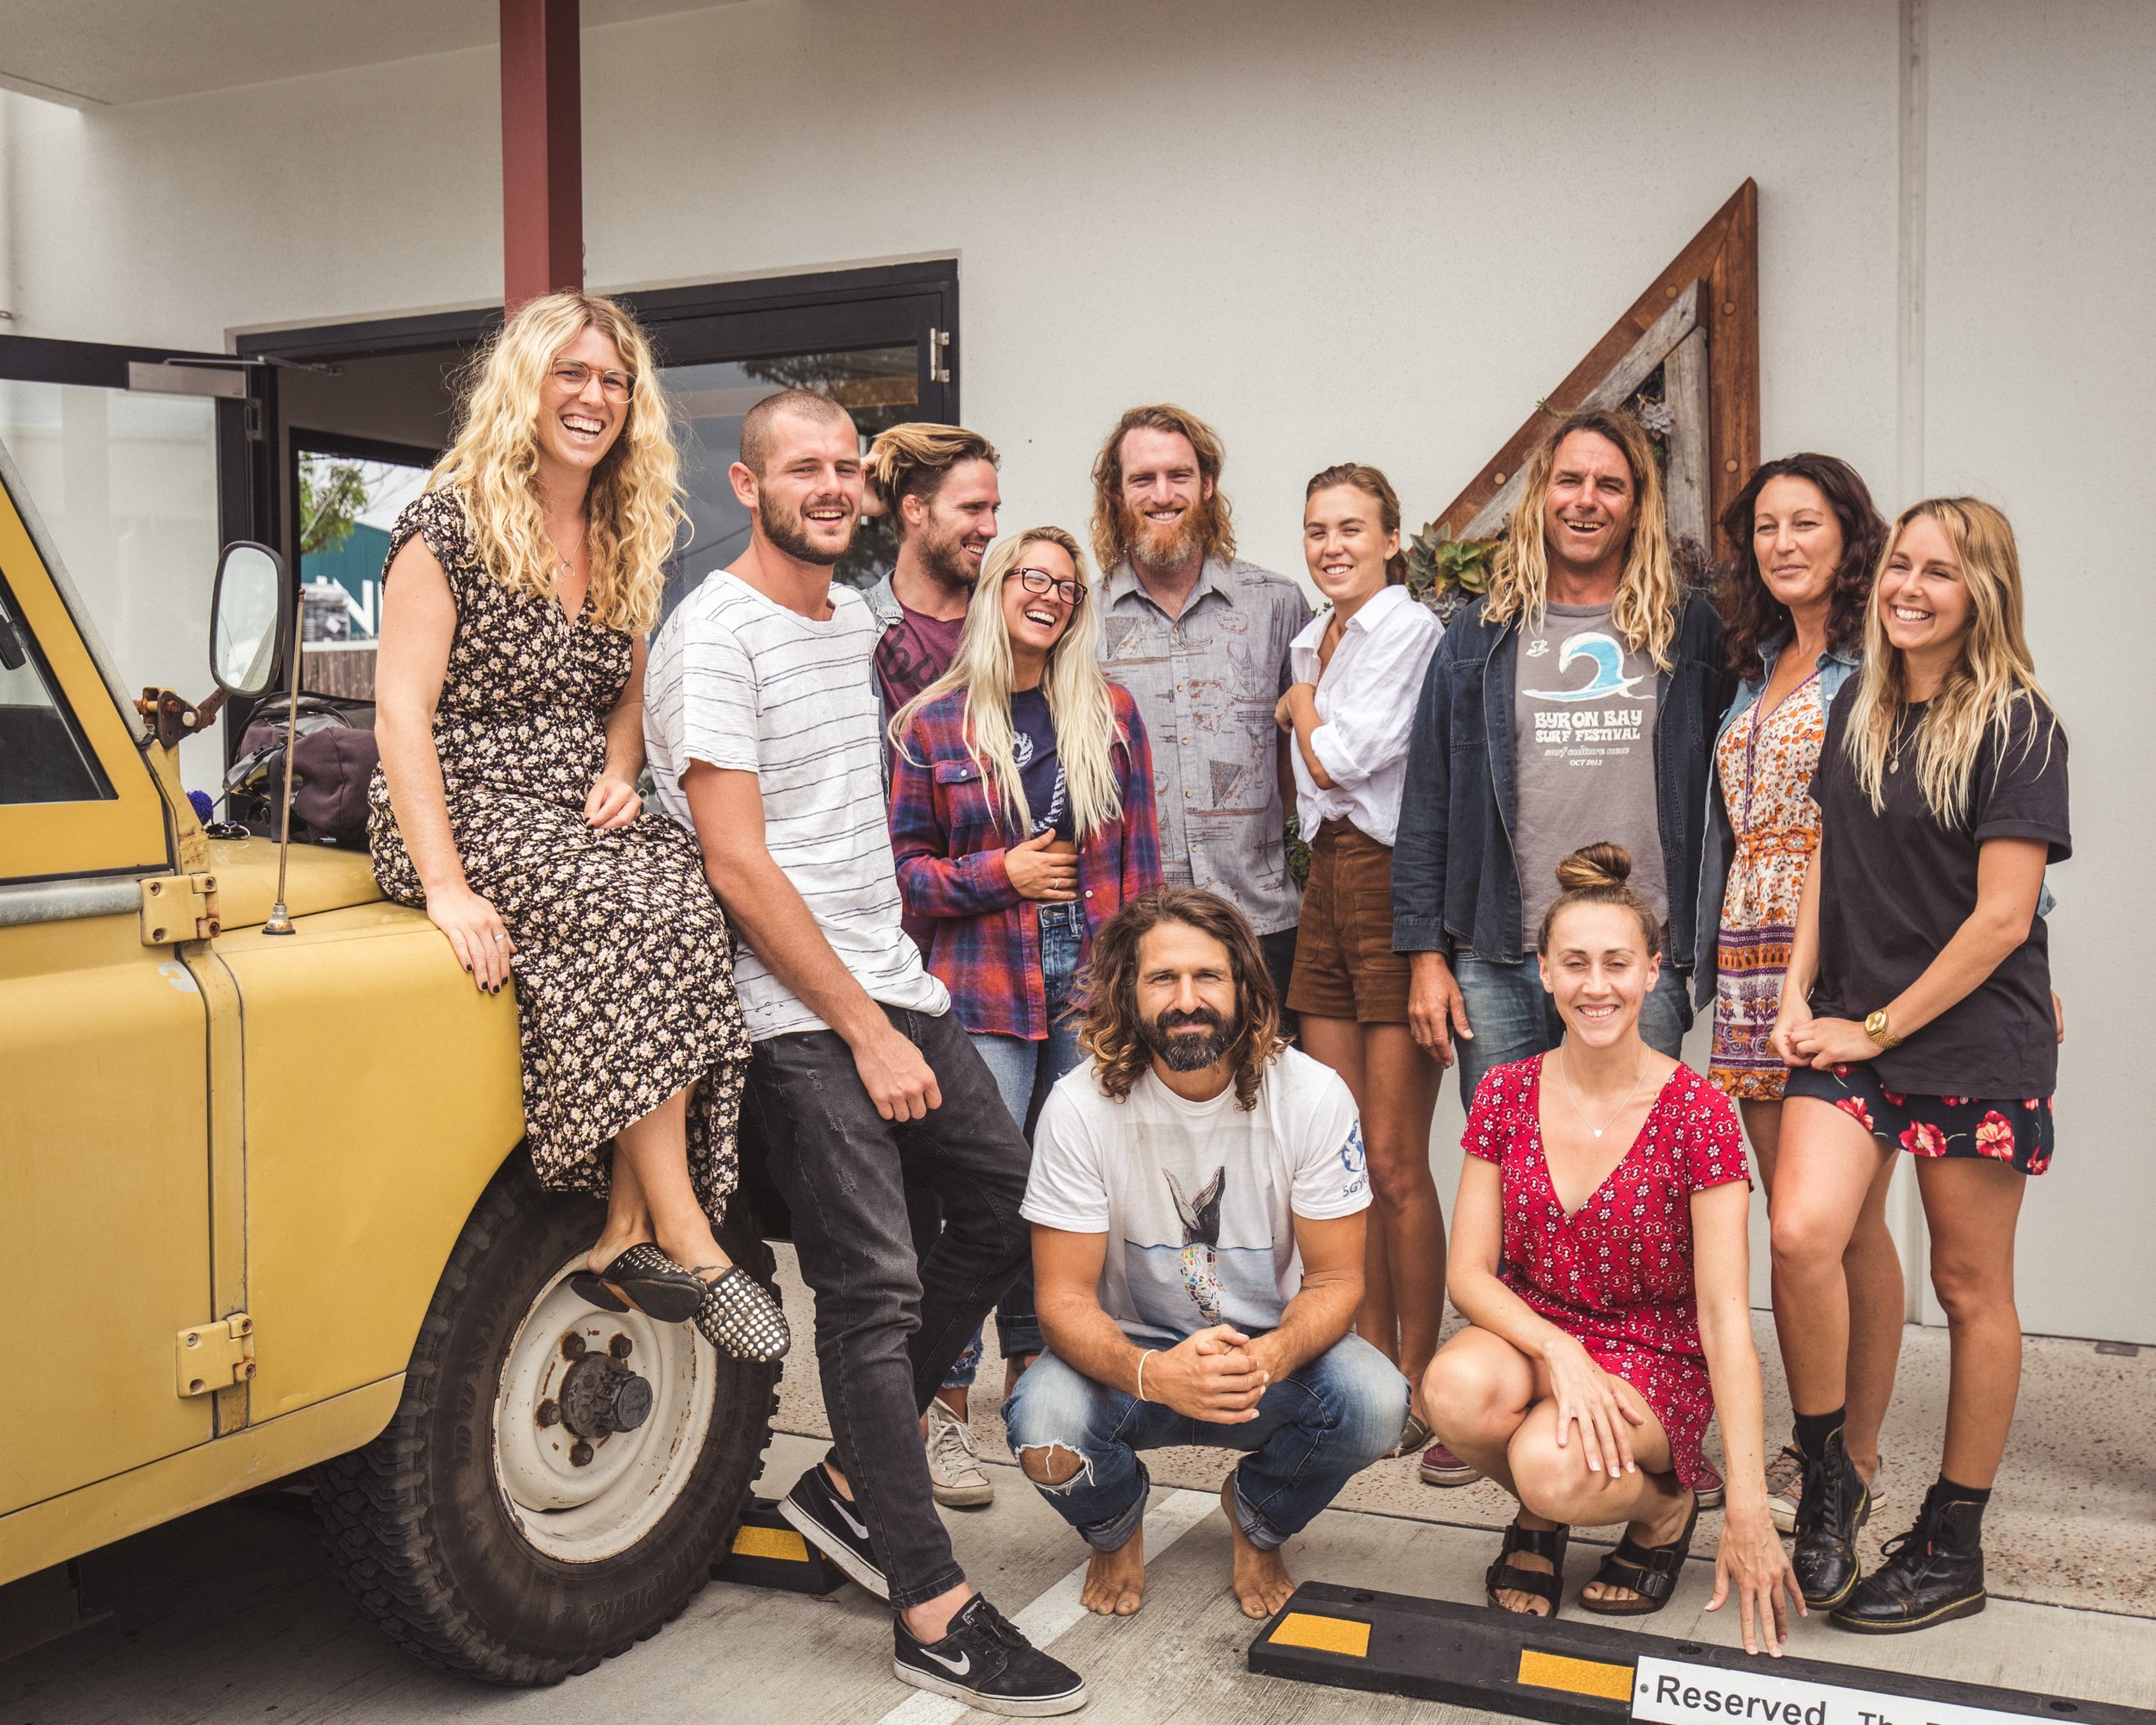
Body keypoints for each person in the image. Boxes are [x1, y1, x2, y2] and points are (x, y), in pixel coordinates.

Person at [643, 387, 1084, 1715]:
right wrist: (856, 1027)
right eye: (804, 469)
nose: (829, 486)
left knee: (1012, 1199)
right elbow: (735, 862)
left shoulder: (850, 622)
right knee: (876, 1286)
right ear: (745, 484)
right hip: (793, 1010)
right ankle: (932, 1607)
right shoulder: (713, 636)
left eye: (846, 467)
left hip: (889, 980)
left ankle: (846, 1484)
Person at [369, 291, 786, 1362]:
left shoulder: (619, 523)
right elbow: (399, 711)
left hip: (571, 800)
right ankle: (683, 1232)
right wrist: (449, 885)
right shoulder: (446, 522)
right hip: (461, 800)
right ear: (526, 384)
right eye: (572, 374)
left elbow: (627, 693)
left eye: (612, 380)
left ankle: (623, 1222)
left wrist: (617, 767)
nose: (594, 397)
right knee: (635, 906)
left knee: (702, 892)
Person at [1769, 497, 2068, 1634]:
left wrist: (1877, 1028)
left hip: (1968, 1036)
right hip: (1851, 1024)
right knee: (1804, 1233)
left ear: (1981, 593)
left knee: (1969, 1286)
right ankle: (1834, 1470)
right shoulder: (1862, 699)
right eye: (1901, 564)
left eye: (1940, 573)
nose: (1910, 587)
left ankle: (1954, 1538)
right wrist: (1801, 993)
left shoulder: (2020, 726)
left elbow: (2001, 921)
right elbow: (1825, 856)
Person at [1423, 845, 1798, 1653]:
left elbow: (1727, 1316)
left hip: (1654, 1352)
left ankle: (1663, 1510)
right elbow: (1468, 1274)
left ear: (1653, 972)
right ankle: (1539, 1507)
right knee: (1450, 1392)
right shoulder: (1505, 1091)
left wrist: (1747, 1499)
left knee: (1551, 1466)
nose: (1597, 986)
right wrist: (1559, 1352)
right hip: (1538, 1335)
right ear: (1546, 974)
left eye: (1618, 963)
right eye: (1576, 964)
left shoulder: (1699, 1112)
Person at [1006, 886, 1407, 1622]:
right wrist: (1152, 1372)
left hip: (1265, 1360)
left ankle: (1259, 1516)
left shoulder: (1312, 1096)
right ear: (1128, 993)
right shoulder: (1078, 1104)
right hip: (1130, 1359)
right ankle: (1116, 1523)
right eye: (1163, 979)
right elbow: (1060, 1301)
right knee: (1043, 1430)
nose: (1187, 999)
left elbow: (1339, 1279)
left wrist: (1273, 1356)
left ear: (1246, 987)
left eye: (1207, 977)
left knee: (1377, 1403)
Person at [887, 524, 1163, 1509]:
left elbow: (1142, 878)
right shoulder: (933, 725)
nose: (1048, 593)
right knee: (979, 1202)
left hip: (1084, 985)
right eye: (1031, 577)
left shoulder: (1112, 713)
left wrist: (1136, 994)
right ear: (997, 588)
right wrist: (994, 873)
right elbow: (903, 873)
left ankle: (1038, 1386)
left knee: (1066, 1201)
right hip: (981, 989)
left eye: (1066, 583)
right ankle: (943, 1411)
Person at [1393, 408, 1736, 1098]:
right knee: (1511, 1175)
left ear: (1637, 508)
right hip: (1500, 957)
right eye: (1569, 480)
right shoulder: (1478, 634)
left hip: (1640, 958)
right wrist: (1427, 957)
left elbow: (1729, 793)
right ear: (1540, 498)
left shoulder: (1688, 630)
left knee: (1633, 1177)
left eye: (1610, 485)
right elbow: (1428, 802)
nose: (1586, 500)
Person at [1694, 455, 1898, 1537]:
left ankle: (1852, 1451)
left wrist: (2029, 946)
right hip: (1747, 945)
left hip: (1846, 950)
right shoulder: (1757, 661)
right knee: (1792, 1223)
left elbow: (1939, 812)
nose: (1782, 543)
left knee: (1846, 1222)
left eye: (1804, 523)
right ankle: (1818, 1438)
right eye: (1765, 527)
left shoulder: (1882, 658)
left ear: (1847, 535)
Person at [1273, 463, 1450, 1471]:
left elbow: (1345, 755)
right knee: (1340, 1155)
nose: (1331, 545)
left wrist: (1300, 712)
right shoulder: (1312, 637)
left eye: (1351, 528)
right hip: (1326, 879)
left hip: (1387, 879)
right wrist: (1308, 706)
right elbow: (1319, 778)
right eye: (1315, 529)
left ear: (1392, 539)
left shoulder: (1408, 630)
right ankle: (1371, 1366)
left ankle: (1421, 1376)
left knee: (1392, 1156)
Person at [1091, 404, 1311, 1025]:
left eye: (1178, 476)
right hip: (1133, 931)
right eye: (1142, 480)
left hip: (1262, 924)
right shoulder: (1081, 616)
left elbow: (1294, 763)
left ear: (1207, 484)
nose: (1163, 495)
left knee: (1266, 1107)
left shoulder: (1277, 604)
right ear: (1116, 493)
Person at [862, 422, 1003, 722]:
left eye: (993, 510)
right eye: (972, 508)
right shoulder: (857, 623)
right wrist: (849, 499)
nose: (991, 528)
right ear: (914, 509)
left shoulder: (1005, 621)